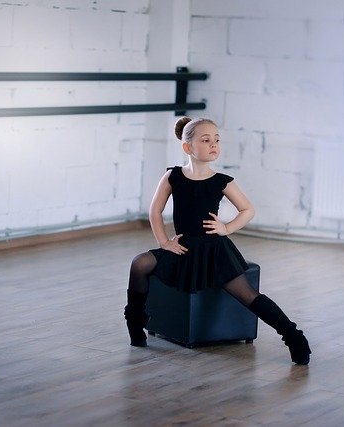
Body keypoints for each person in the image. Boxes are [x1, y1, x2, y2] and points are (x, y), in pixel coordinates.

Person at [123, 117, 311, 365]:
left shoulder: (222, 181)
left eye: (217, 140)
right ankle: (136, 325)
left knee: (247, 295)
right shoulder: (173, 176)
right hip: (182, 247)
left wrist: (226, 228)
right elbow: (155, 211)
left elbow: (248, 210)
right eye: (205, 140)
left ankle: (294, 337)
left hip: (214, 250)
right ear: (187, 147)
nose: (214, 145)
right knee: (140, 263)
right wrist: (164, 242)